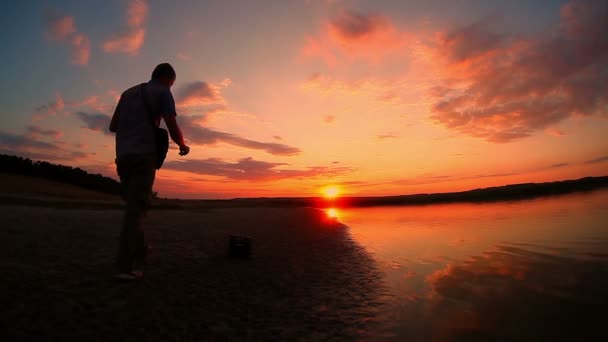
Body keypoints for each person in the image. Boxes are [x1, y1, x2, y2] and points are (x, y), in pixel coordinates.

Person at [109, 63, 190, 280]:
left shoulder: (127, 93)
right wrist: (182, 145)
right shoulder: (163, 92)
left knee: (134, 205)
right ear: (167, 79)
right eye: (172, 83)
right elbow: (171, 124)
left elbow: (113, 125)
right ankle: (125, 267)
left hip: (123, 156)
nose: (171, 87)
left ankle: (142, 251)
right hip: (144, 156)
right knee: (136, 211)